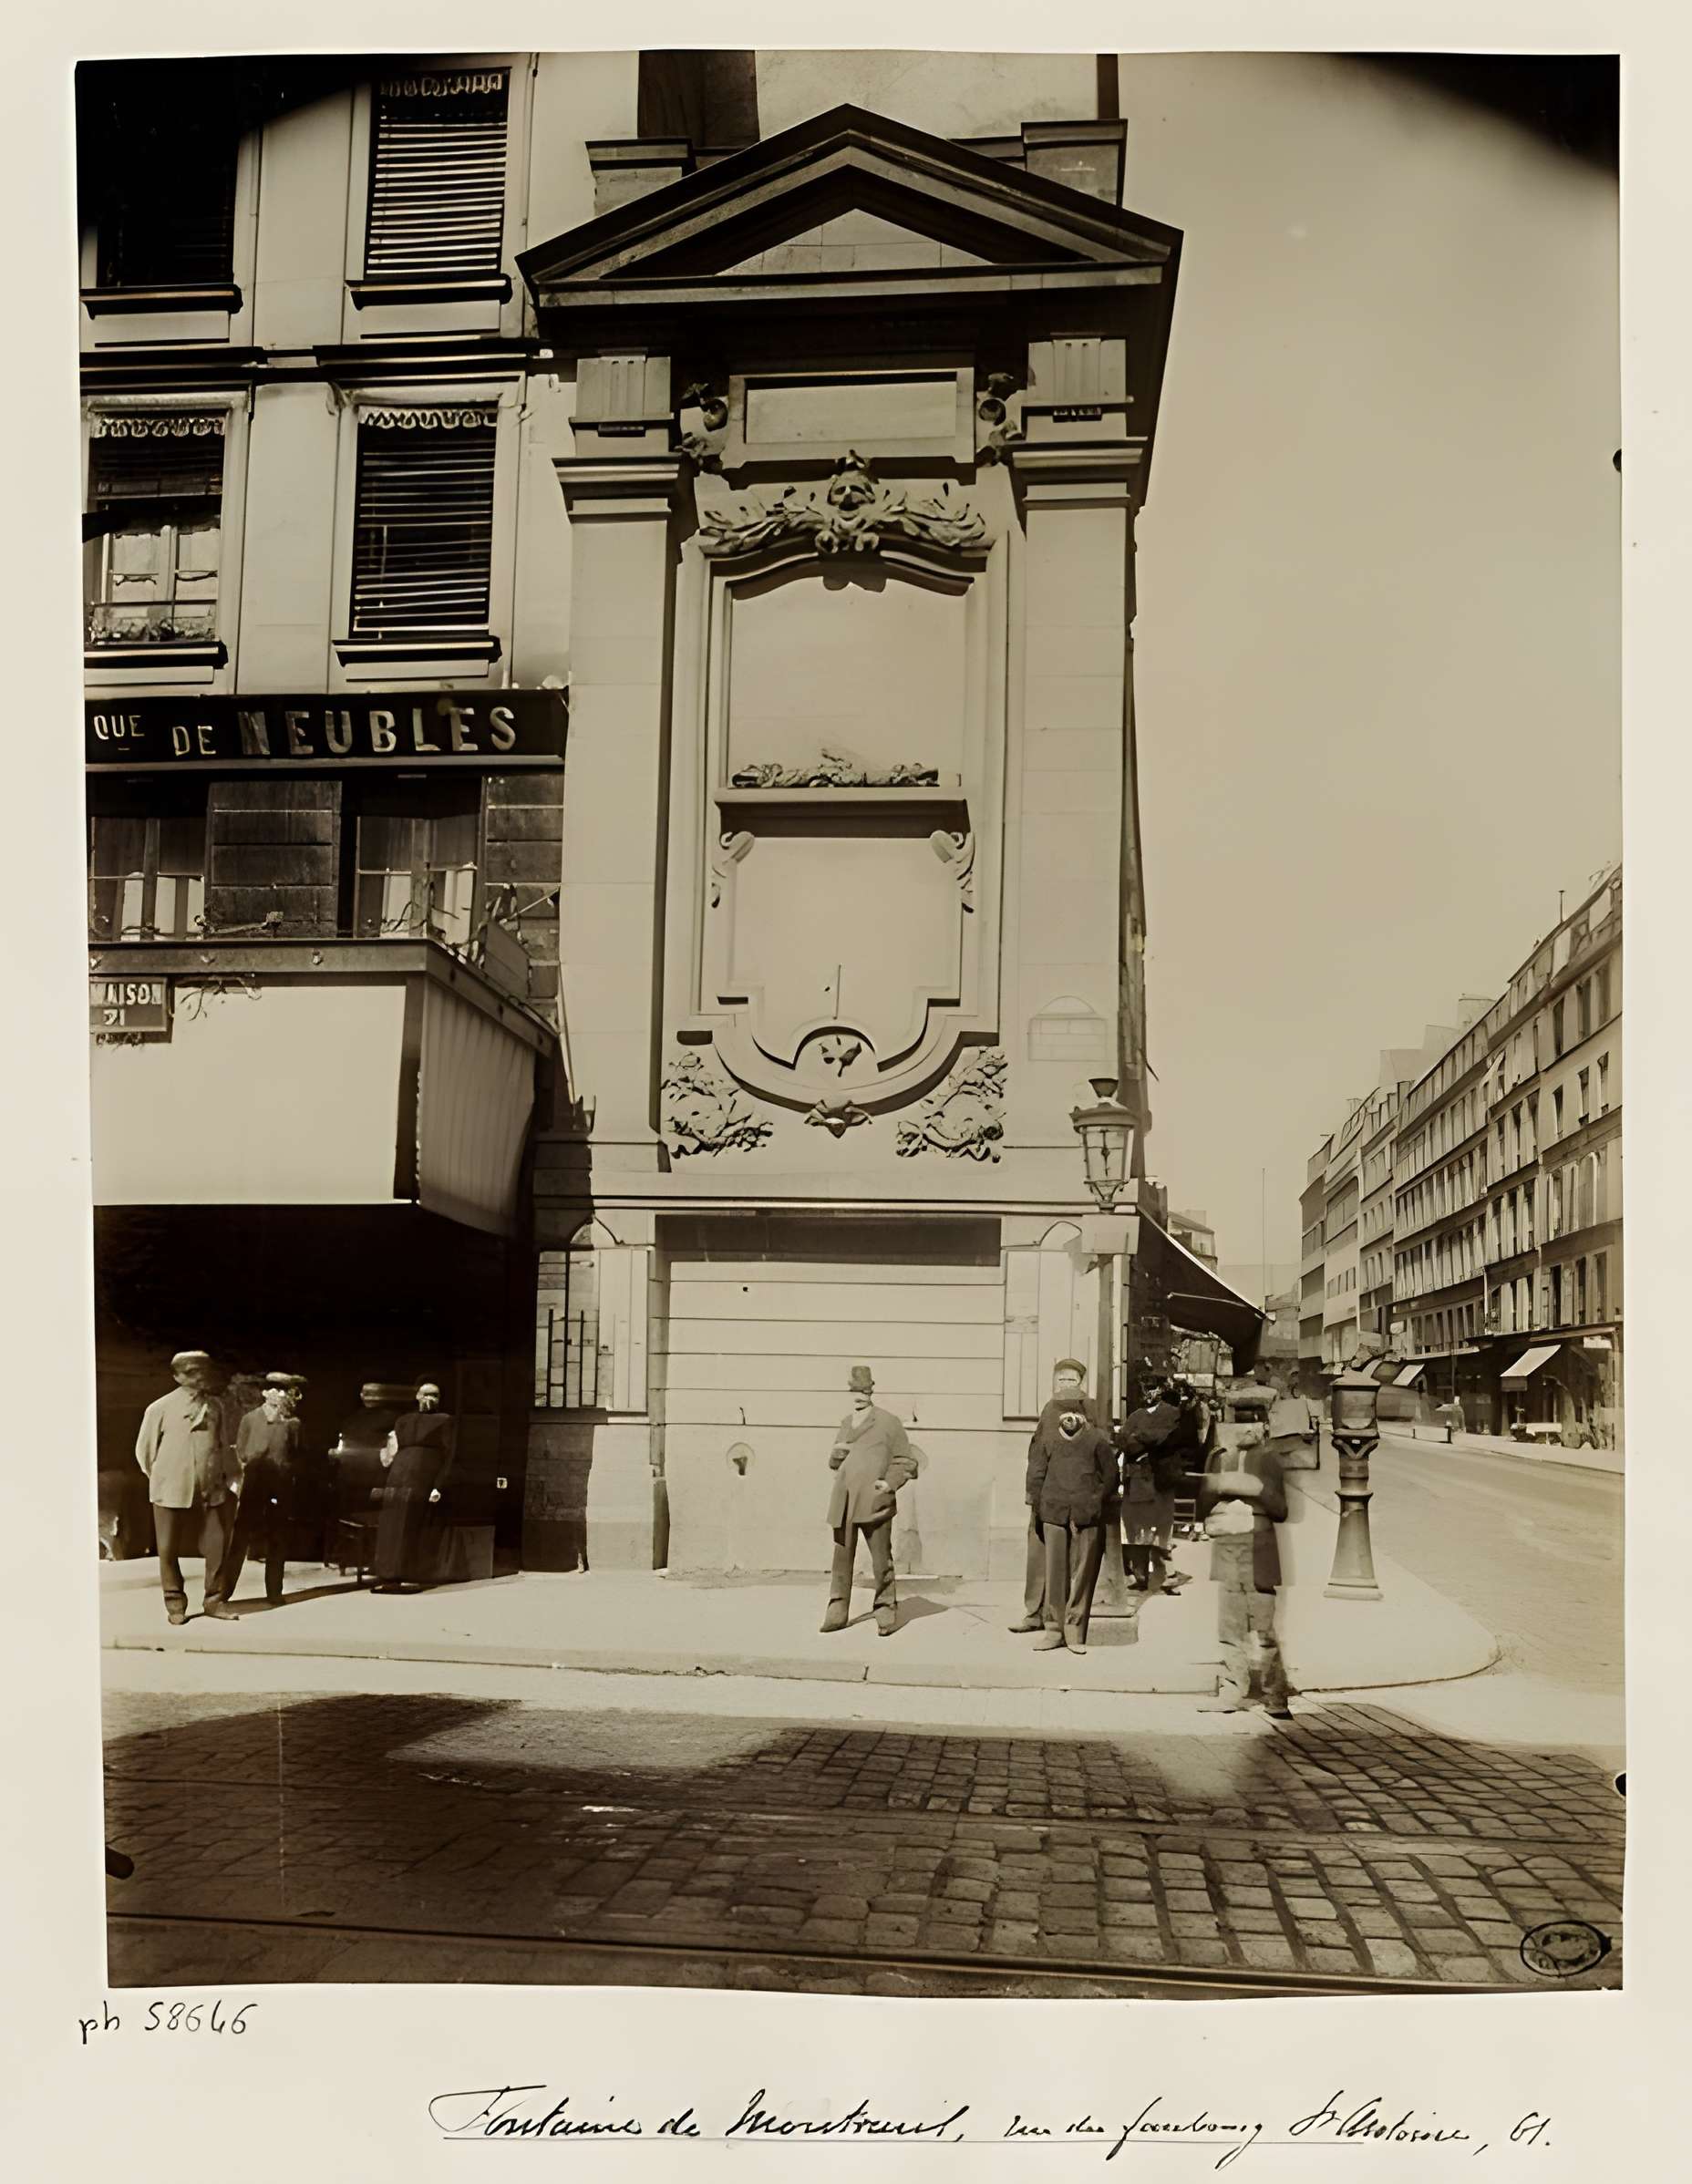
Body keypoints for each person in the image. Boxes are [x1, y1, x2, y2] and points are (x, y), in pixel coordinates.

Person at [133, 1350, 240, 1625]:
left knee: (217, 1545)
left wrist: (227, 1479)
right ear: (177, 1376)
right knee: (167, 1549)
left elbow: (224, 1446)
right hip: (170, 1489)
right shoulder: (159, 1408)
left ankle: (215, 1602)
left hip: (211, 1489)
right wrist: (164, 1478)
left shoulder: (216, 1407)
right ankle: (175, 1604)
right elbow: (145, 1453)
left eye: (203, 1371)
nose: (199, 1377)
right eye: (191, 1372)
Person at [1196, 1423, 1294, 1718]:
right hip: (1228, 1548)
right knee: (1230, 1627)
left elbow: (1280, 1510)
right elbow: (1201, 1507)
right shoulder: (1217, 1458)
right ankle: (1232, 1689)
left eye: (1251, 1419)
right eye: (1237, 1419)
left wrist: (1259, 1489)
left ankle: (1275, 1695)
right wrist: (1217, 1487)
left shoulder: (1268, 1459)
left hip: (1258, 1550)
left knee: (1263, 1627)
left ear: (1262, 1425)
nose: (1244, 1429)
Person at [821, 1365, 918, 1637]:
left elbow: (906, 1461)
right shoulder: (845, 1423)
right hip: (844, 1503)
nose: (858, 1396)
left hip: (875, 1503)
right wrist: (836, 1456)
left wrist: (888, 1483)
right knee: (841, 1560)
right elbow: (833, 1464)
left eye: (863, 1390)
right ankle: (837, 1610)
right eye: (854, 1390)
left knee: (880, 1561)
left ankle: (885, 1608)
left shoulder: (889, 1422)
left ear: (871, 1391)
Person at [1025, 1383, 1119, 1655]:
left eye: (1074, 1411)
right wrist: (1038, 1507)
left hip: (1086, 1515)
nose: (1068, 1417)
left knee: (1082, 1576)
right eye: (1062, 1412)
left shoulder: (1097, 1441)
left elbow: (1111, 1476)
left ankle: (1075, 1633)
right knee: (1055, 1575)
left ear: (1083, 1414)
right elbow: (1036, 1474)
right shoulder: (1047, 1440)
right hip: (1053, 1514)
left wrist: (1095, 1499)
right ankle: (1053, 1631)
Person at [1009, 1356, 1094, 1634]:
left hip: (1072, 1498)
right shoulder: (1049, 1409)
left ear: (1081, 1384)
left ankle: (1057, 1621)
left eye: (1072, 1380)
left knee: (1068, 1560)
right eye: (1061, 1379)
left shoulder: (1089, 1410)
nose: (1065, 1385)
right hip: (1044, 1494)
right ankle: (1034, 1612)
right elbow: (1037, 1455)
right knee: (1037, 1556)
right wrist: (1032, 1493)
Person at [220, 1374, 303, 1606]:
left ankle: (274, 1592)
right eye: (275, 1389)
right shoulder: (249, 1419)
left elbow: (296, 1454)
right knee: (240, 1536)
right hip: (254, 1484)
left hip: (280, 1486)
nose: (280, 1394)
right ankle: (223, 1592)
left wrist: (284, 1472)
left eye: (284, 1390)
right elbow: (242, 1451)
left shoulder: (293, 1423)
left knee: (278, 1537)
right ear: (265, 1393)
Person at [1117, 1375, 1200, 1596]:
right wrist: (1146, 1442)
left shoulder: (1172, 1414)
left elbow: (1170, 1439)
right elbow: (1126, 1443)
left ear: (1160, 1390)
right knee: (1141, 1530)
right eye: (1144, 1388)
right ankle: (1143, 1577)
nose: (1147, 1392)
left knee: (1163, 1530)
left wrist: (1143, 1438)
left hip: (1162, 1481)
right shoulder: (1134, 1416)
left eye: (1152, 1388)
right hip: (1139, 1480)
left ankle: (1168, 1575)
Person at [372, 1381, 456, 1593]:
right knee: (391, 1526)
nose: (430, 1399)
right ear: (417, 1396)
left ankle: (411, 1574)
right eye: (426, 1394)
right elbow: (393, 1450)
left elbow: (450, 1456)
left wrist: (439, 1485)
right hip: (398, 1477)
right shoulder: (403, 1421)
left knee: (414, 1527)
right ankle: (387, 1575)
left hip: (423, 1478)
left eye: (435, 1396)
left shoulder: (445, 1421)